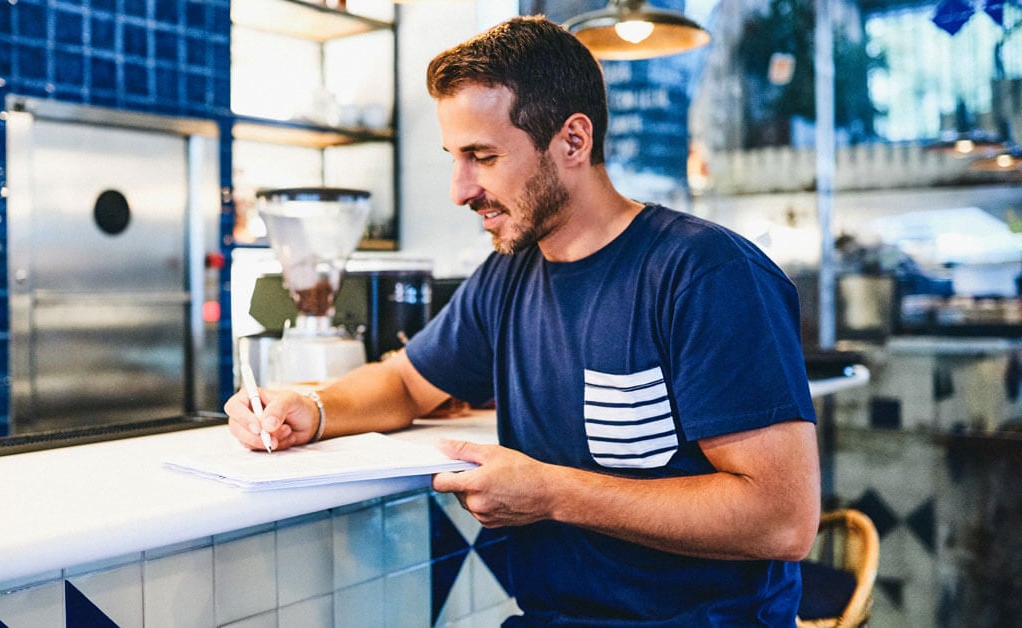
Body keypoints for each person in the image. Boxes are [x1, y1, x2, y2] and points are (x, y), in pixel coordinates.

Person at [226, 15, 821, 626]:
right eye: (455, 158)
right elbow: (407, 382)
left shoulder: (704, 273)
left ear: (572, 141)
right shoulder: (509, 275)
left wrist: (552, 494)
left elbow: (781, 520)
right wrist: (312, 409)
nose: (460, 190)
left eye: (482, 157)